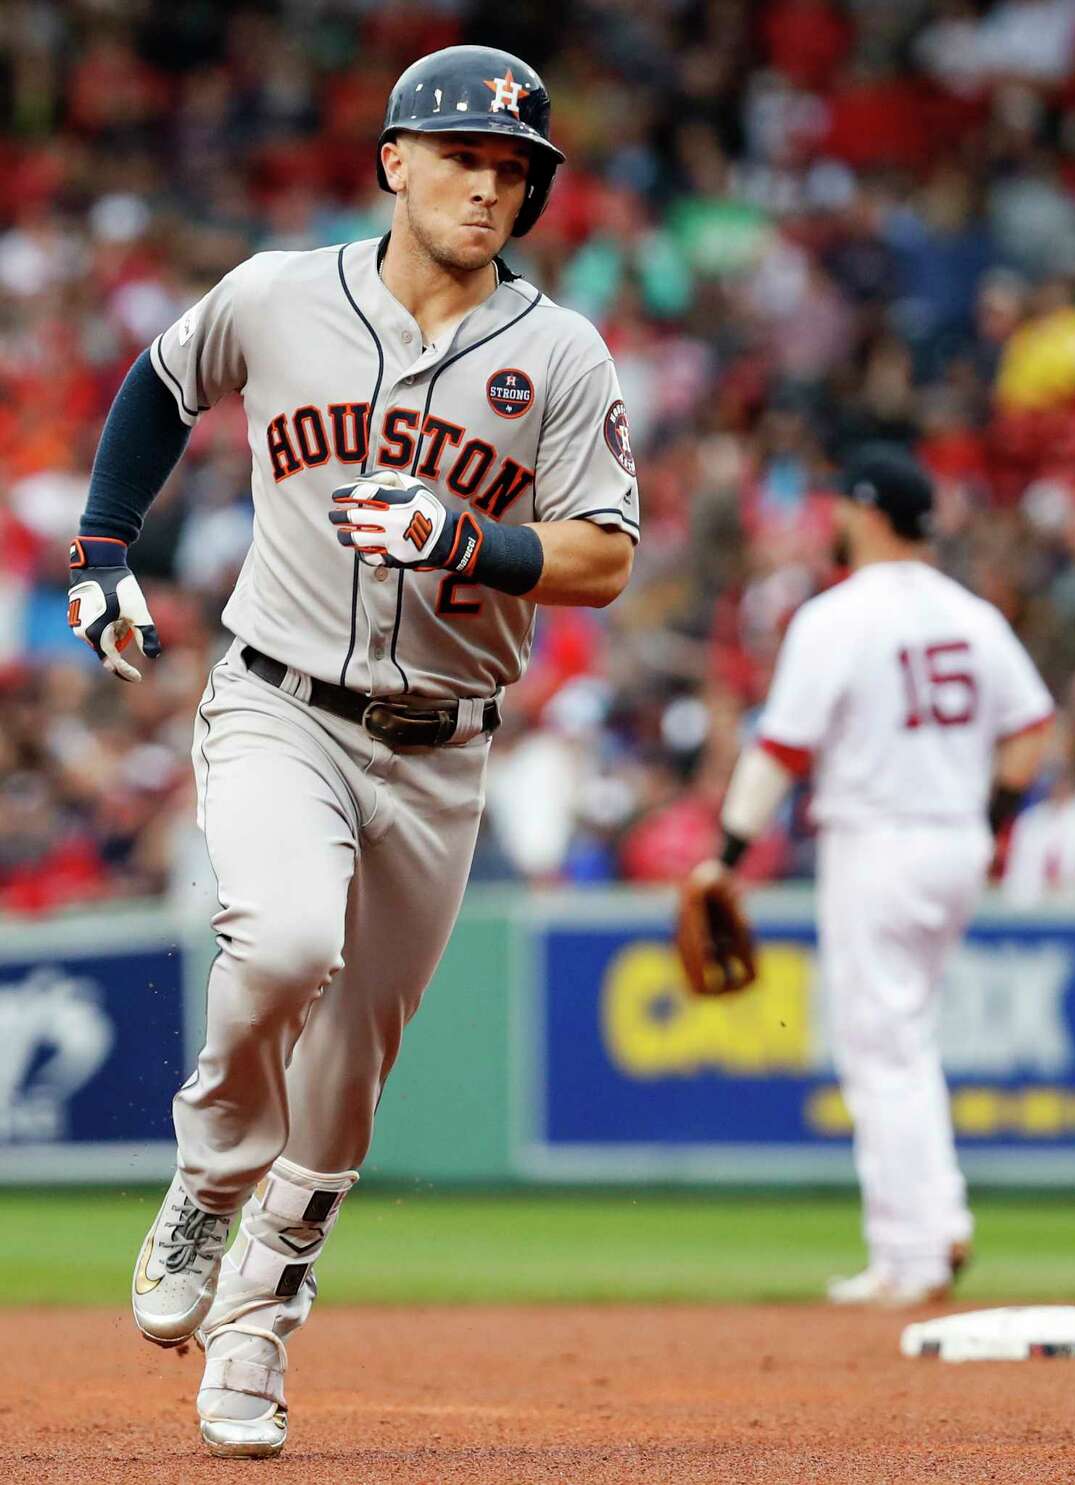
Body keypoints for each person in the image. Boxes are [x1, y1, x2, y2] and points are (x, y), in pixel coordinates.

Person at [66, 45, 637, 1457]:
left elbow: (606, 557)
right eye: (463, 159)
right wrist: (101, 544)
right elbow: (157, 378)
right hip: (278, 700)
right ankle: (207, 1181)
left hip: (442, 748)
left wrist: (473, 539)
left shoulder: (559, 352)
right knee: (278, 946)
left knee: (346, 1083)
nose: (490, 188)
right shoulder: (278, 292)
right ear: (393, 160)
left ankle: (255, 1329)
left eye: (514, 171)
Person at [682, 447, 1052, 1306]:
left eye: (846, 509)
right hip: (954, 842)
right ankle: (928, 1227)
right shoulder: (973, 615)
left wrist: (727, 857)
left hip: (879, 841)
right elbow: (1031, 728)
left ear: (871, 512)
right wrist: (988, 828)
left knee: (880, 1046)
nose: (838, 523)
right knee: (903, 1036)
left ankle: (915, 1248)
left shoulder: (838, 616)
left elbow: (780, 749)